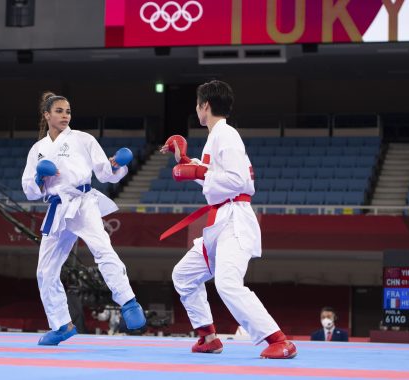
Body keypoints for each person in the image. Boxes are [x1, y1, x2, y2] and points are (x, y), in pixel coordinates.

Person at [160, 80, 297, 359]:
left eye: (197, 104)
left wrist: (195, 172)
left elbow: (237, 180)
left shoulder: (227, 135)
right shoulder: (217, 136)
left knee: (228, 283)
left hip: (234, 218)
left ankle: (279, 339)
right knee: (184, 275)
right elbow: (215, 180)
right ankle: (208, 337)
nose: (197, 109)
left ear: (205, 106)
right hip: (220, 218)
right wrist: (185, 160)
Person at [22, 92, 146, 345]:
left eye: (67, 111)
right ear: (47, 115)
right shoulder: (38, 149)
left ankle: (128, 302)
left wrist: (115, 165)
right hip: (57, 207)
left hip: (83, 203)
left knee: (102, 250)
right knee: (45, 271)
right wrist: (38, 178)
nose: (65, 115)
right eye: (59, 111)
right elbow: (29, 190)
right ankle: (61, 325)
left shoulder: (83, 139)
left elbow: (105, 174)